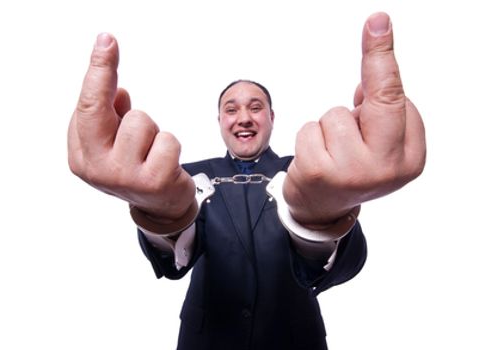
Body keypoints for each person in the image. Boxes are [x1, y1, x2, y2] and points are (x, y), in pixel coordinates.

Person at [64, 12, 425, 349]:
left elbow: (346, 264)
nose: (244, 118)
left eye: (255, 107)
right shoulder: (183, 177)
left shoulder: (313, 171)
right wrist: (160, 216)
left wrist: (325, 219)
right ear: (219, 120)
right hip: (206, 339)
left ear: (271, 117)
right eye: (231, 109)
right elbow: (175, 266)